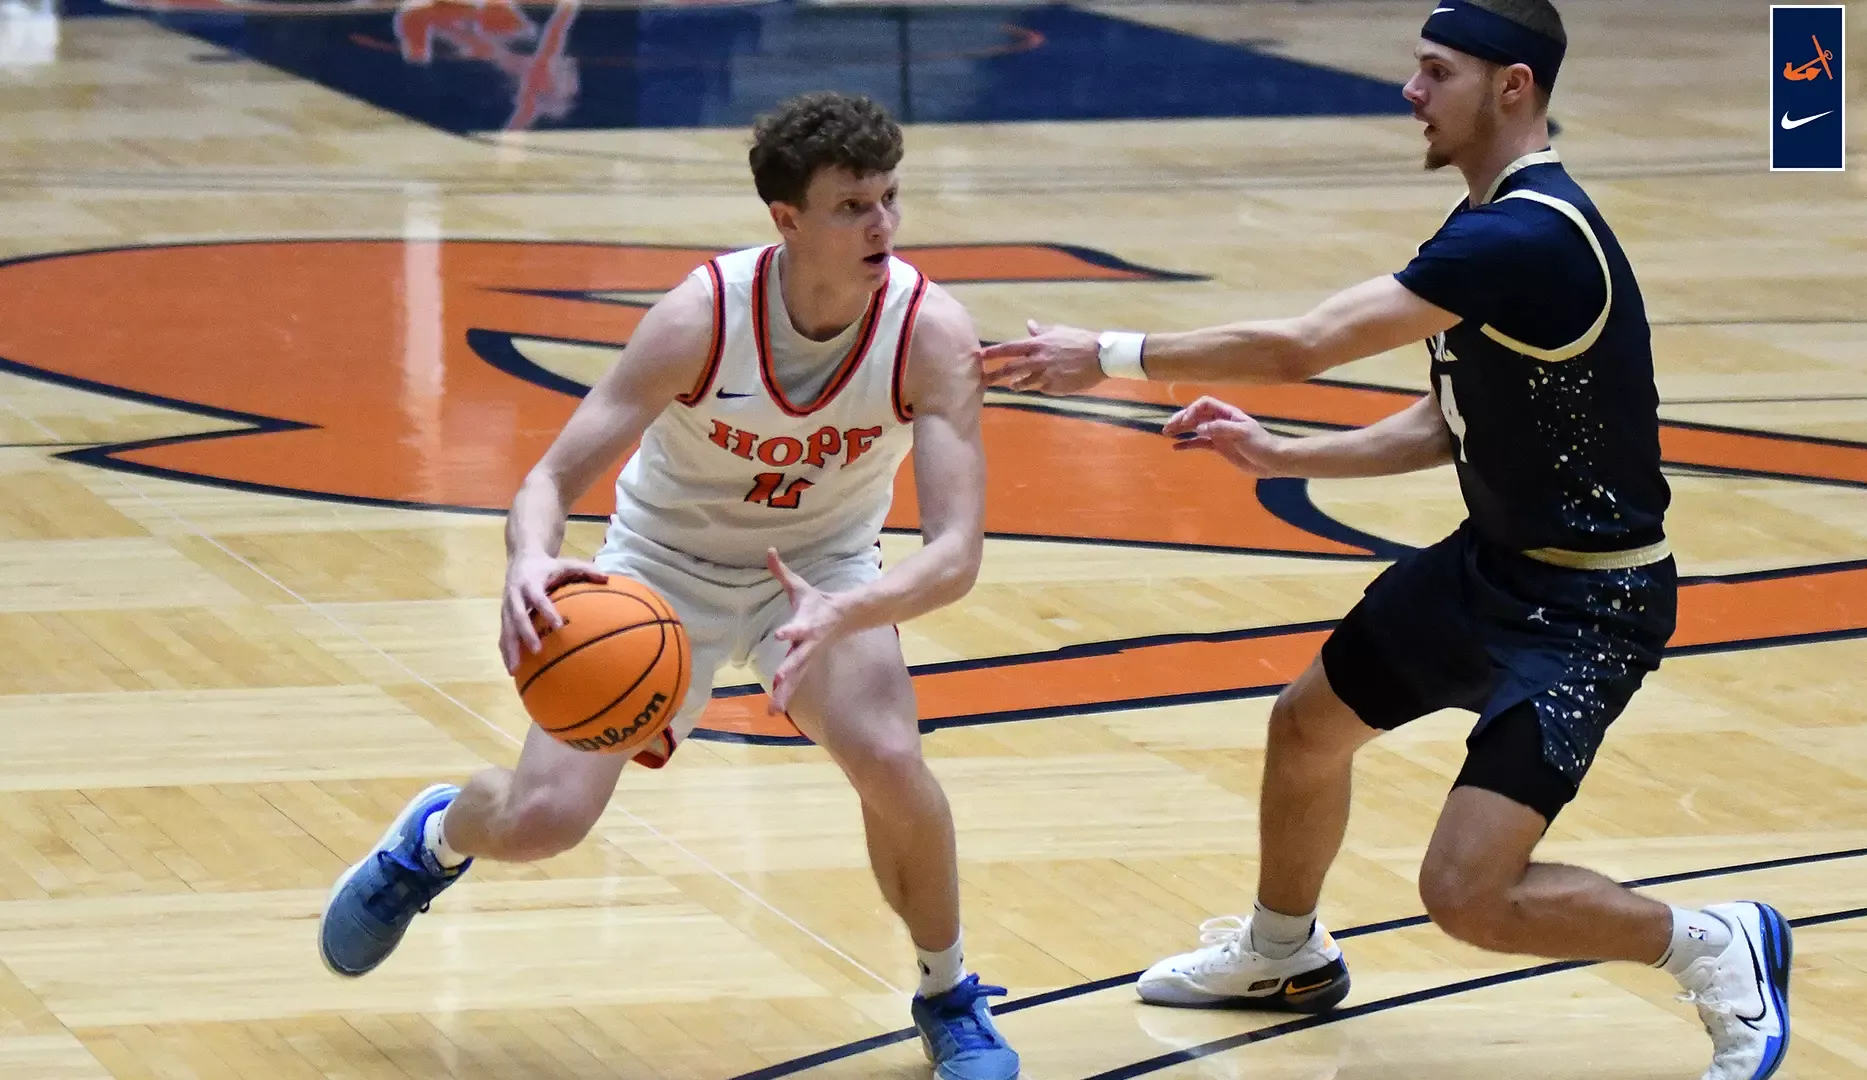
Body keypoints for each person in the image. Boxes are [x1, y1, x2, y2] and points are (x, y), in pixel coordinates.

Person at [977, 3, 1789, 1078]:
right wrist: (1282, 459)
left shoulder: (1529, 233)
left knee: (1467, 897)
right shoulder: (1491, 223)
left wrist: (1113, 352)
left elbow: (1305, 341)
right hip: (1489, 570)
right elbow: (1450, 420)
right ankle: (1285, 954)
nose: (1410, 91)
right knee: (1308, 727)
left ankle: (1712, 944)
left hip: (1589, 608)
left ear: (1511, 87)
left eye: (1434, 72)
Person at [320, 90, 1020, 1080]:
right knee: (544, 821)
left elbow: (956, 554)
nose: (884, 226)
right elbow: (550, 480)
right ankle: (428, 843)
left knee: (892, 761)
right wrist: (529, 559)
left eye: (891, 199)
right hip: (660, 567)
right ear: (788, 220)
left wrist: (848, 607)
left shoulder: (930, 332)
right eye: (853, 206)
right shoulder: (701, 316)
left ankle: (949, 993)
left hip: (817, 573)